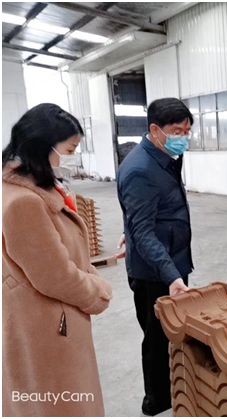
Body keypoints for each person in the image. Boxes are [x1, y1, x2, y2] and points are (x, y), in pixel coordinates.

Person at [2, 103, 113, 416]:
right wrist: (99, 291)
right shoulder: (24, 203)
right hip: (47, 328)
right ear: (43, 146)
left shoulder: (34, 188)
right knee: (61, 402)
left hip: (46, 318)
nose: (74, 157)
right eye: (70, 149)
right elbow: (55, 276)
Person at [116, 98, 193, 416]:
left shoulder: (166, 156)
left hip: (171, 260)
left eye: (187, 131)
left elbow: (142, 214)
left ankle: (176, 389)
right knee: (157, 337)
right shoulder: (140, 169)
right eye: (177, 131)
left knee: (173, 333)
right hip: (154, 272)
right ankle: (157, 402)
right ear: (155, 130)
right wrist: (171, 276)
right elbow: (144, 231)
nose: (183, 138)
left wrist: (130, 228)